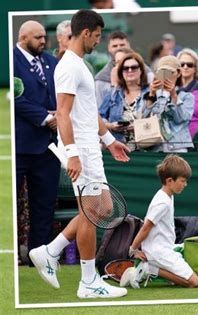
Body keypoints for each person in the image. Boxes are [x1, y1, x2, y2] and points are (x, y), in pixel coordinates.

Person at [28, 9, 130, 299]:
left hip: (89, 148)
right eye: (97, 36)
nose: (98, 41)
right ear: (86, 33)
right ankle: (88, 282)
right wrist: (72, 154)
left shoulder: (78, 64)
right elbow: (63, 113)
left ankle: (50, 251)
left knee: (102, 208)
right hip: (81, 150)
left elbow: (88, 110)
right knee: (92, 212)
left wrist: (110, 140)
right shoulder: (70, 67)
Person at [14, 20, 60, 256]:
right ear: (23, 38)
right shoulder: (11, 60)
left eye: (44, 37)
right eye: (38, 37)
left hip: (48, 148)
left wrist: (59, 115)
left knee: (44, 206)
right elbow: (16, 98)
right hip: (20, 146)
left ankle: (39, 257)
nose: (44, 41)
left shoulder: (52, 62)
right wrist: (45, 118)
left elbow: (62, 94)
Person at [120, 154, 198, 289]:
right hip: (158, 251)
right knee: (194, 282)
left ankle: (152, 268)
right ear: (169, 181)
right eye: (182, 181)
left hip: (164, 248)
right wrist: (133, 250)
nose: (185, 184)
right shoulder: (162, 202)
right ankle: (149, 269)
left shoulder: (167, 195)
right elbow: (146, 228)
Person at [140, 55, 194, 153]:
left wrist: (174, 96)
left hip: (178, 146)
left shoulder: (187, 96)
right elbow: (142, 119)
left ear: (178, 73)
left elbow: (180, 119)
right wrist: (151, 95)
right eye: (162, 72)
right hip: (154, 146)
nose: (166, 75)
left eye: (170, 72)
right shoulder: (149, 94)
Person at [99, 52, 149, 147]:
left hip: (145, 149)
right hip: (118, 147)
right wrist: (111, 126)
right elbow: (99, 118)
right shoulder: (113, 93)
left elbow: (158, 120)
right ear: (121, 72)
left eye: (134, 67)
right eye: (125, 68)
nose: (130, 70)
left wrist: (138, 127)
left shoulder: (151, 93)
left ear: (141, 70)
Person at [95, 31, 153, 107]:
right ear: (109, 48)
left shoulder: (147, 73)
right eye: (115, 46)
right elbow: (100, 110)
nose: (119, 48)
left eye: (122, 45)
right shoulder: (102, 79)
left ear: (129, 46)